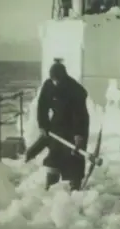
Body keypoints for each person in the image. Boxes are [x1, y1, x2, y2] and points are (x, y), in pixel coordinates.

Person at [37, 60, 90, 191]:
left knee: (74, 155)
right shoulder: (48, 85)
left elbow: (80, 113)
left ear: (63, 77)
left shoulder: (75, 90)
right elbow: (42, 106)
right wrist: (43, 125)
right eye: (53, 79)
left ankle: (75, 185)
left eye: (58, 80)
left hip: (76, 124)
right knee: (55, 153)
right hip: (58, 123)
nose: (55, 82)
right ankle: (51, 183)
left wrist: (78, 134)